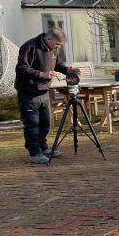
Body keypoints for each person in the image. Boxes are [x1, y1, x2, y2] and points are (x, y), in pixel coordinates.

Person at [14, 28, 80, 164]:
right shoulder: (29, 47)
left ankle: (43, 148)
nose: (59, 47)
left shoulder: (53, 48)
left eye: (60, 45)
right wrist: (43, 74)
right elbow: (21, 68)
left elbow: (57, 64)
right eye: (57, 44)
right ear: (49, 39)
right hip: (28, 91)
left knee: (46, 122)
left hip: (44, 90)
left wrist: (68, 70)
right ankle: (35, 153)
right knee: (32, 123)